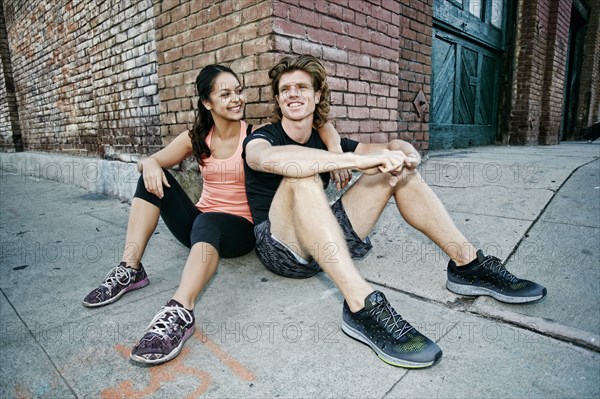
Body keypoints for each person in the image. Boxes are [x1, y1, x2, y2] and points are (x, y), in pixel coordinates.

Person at [243, 54, 547, 369]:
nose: (293, 94)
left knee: (398, 172)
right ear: (278, 100)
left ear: (316, 95)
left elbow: (387, 149)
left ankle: (467, 265)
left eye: (302, 87)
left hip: (324, 241)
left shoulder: (326, 137)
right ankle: (360, 306)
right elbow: (266, 159)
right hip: (281, 248)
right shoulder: (262, 138)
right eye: (285, 89)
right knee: (300, 173)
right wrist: (350, 160)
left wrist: (404, 151)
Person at [82, 64, 345, 365]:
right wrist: (150, 164)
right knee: (151, 181)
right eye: (226, 94)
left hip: (240, 231)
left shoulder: (256, 136)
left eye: (239, 91)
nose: (237, 99)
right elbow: (151, 161)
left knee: (207, 221)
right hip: (201, 225)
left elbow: (315, 124)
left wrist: (335, 146)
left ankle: (180, 310)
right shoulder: (197, 136)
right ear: (207, 103)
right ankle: (130, 269)